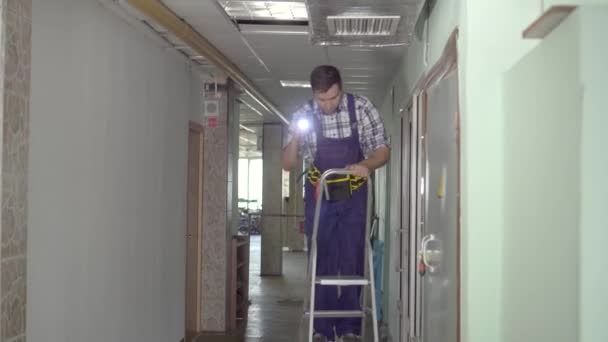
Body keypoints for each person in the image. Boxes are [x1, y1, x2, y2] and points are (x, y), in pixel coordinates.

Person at [281, 65, 390, 342]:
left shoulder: (362, 108)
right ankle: (322, 326)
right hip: (321, 193)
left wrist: (366, 165)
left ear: (341, 88)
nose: (328, 105)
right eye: (322, 100)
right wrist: (294, 137)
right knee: (321, 256)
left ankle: (349, 327)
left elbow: (383, 151)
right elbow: (287, 164)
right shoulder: (303, 115)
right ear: (313, 94)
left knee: (352, 255)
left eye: (333, 98)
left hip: (354, 193)